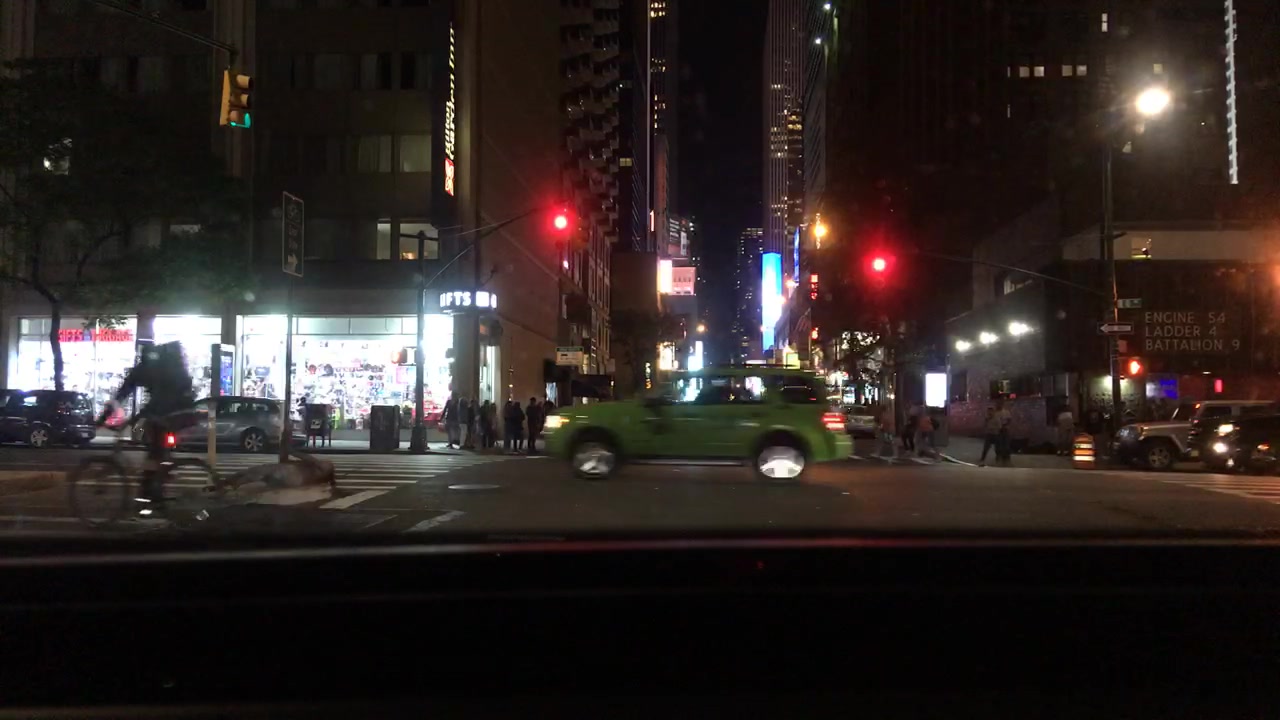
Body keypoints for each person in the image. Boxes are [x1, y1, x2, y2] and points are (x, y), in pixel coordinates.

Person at [98, 341, 198, 504]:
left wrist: (102, 419)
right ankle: (157, 485)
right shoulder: (162, 366)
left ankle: (149, 496)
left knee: (154, 447)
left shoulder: (147, 369)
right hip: (183, 411)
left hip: (170, 412)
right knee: (156, 450)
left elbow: (123, 394)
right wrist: (136, 417)